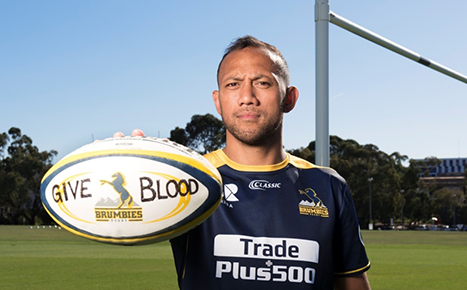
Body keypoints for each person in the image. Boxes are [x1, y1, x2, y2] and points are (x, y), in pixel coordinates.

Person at [126, 36, 371, 289]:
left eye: (262, 83)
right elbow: (121, 218)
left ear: (289, 98)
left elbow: (352, 283)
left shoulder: (328, 186)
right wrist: (124, 167)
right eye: (233, 84)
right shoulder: (187, 180)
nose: (247, 97)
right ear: (218, 101)